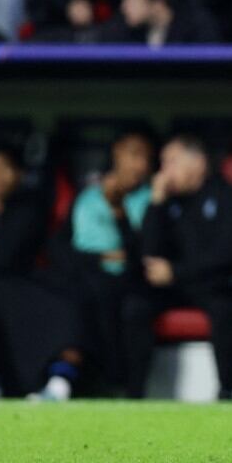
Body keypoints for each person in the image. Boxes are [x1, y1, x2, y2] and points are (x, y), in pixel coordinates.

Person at [122, 134, 232, 400]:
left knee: (223, 307)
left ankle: (229, 389)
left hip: (214, 283)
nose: (164, 172)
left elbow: (228, 254)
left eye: (171, 162)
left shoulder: (228, 197)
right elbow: (148, 252)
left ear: (198, 163)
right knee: (135, 306)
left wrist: (176, 272)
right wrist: (156, 202)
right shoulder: (167, 201)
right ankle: (134, 393)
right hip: (175, 287)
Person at [65, 131, 155, 390]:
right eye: (133, 154)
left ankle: (128, 390)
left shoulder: (152, 199)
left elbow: (142, 254)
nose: (140, 164)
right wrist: (102, 256)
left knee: (131, 307)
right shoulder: (87, 197)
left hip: (130, 281)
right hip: (89, 276)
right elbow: (64, 248)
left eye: (145, 158)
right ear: (117, 153)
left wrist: (118, 211)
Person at [0, 143, 47, 398]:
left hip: (19, 290)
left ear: (19, 173)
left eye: (5, 168)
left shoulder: (29, 209)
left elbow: (5, 258)